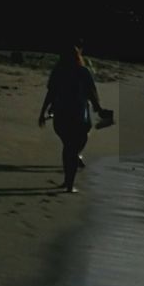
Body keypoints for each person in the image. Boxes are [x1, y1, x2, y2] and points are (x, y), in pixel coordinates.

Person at [38, 41, 102, 193]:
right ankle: (69, 185)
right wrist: (98, 108)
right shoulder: (83, 71)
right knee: (74, 148)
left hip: (61, 116)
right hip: (79, 116)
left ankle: (67, 181)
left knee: (68, 148)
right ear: (77, 56)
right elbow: (92, 93)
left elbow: (50, 94)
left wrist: (42, 113)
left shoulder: (58, 71)